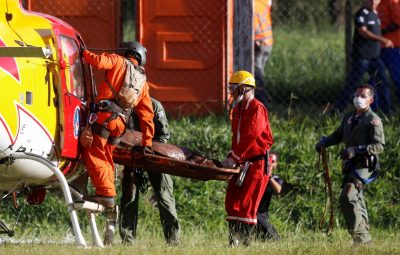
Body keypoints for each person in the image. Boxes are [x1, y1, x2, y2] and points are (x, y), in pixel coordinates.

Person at [81, 41, 155, 244]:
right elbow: (147, 114)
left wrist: (83, 52)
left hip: (104, 118)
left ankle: (105, 195)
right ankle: (108, 196)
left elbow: (98, 61)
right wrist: (147, 142)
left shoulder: (117, 61)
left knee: (94, 154)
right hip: (119, 125)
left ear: (128, 52)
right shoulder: (142, 81)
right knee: (106, 158)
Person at [316, 84, 385, 245]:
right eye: (357, 95)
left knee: (348, 196)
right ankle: (364, 239)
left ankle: (361, 239)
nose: (358, 99)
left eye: (363, 96)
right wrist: (325, 142)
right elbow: (338, 135)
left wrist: (357, 149)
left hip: (365, 164)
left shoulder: (373, 120)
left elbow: (379, 146)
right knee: (355, 198)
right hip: (350, 164)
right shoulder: (349, 117)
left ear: (371, 100)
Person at [222, 70, 274, 247]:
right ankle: (233, 241)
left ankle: (246, 243)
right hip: (242, 161)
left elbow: (251, 135)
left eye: (233, 88)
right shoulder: (237, 110)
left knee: (247, 203)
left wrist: (235, 157)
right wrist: (232, 155)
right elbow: (236, 137)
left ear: (243, 88)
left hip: (257, 163)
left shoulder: (257, 108)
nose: (231, 92)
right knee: (232, 200)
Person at [119, 97, 180, 245]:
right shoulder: (121, 105)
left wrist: (152, 152)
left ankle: (173, 241)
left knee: (164, 195)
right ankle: (127, 241)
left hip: (155, 155)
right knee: (129, 196)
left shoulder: (154, 105)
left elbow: (164, 135)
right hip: (131, 155)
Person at [333, 0, 393, 114]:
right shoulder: (362, 13)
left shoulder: (375, 13)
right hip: (362, 58)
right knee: (353, 84)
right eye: (370, 0)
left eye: (376, 0)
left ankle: (387, 111)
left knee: (383, 82)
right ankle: (338, 110)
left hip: (375, 58)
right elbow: (362, 31)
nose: (373, 2)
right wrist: (381, 40)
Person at [255, 152, 283, 241]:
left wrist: (269, 176)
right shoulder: (257, 174)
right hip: (253, 210)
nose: (270, 163)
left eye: (273, 161)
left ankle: (276, 239)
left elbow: (278, 189)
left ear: (276, 164)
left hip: (263, 212)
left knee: (265, 236)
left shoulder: (276, 178)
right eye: (268, 160)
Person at [377, 0, 400, 107]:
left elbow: (397, 22)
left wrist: (379, 33)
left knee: (397, 76)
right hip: (377, 47)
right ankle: (384, 107)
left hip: (391, 46)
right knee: (379, 77)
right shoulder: (376, 3)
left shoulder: (392, 2)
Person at [254, 0, 274, 108]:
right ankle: (263, 98)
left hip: (257, 41)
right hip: (267, 40)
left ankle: (263, 103)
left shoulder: (247, 3)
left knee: (257, 75)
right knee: (259, 73)